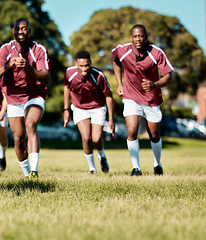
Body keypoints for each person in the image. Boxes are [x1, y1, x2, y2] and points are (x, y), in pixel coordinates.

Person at [0, 18, 50, 178]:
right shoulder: (5, 49)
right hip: (13, 98)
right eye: (17, 28)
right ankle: (26, 174)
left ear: (29, 31)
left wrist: (29, 67)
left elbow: (46, 77)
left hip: (35, 95)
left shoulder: (38, 49)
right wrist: (8, 65)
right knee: (17, 138)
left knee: (30, 125)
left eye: (24, 29)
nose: (20, 31)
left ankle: (34, 171)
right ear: (13, 31)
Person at [112, 24, 173, 176]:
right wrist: (120, 84)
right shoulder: (122, 50)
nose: (138, 39)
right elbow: (115, 61)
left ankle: (157, 165)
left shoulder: (156, 52)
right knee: (132, 131)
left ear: (146, 37)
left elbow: (168, 77)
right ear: (131, 37)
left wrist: (155, 85)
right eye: (135, 36)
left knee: (154, 135)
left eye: (141, 36)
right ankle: (136, 168)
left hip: (151, 98)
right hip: (131, 96)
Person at [63, 50, 114, 174]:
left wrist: (111, 119)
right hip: (79, 108)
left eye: (86, 65)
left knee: (96, 139)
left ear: (90, 63)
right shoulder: (69, 73)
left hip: (97, 108)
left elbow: (108, 95)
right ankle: (92, 168)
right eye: (81, 66)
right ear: (76, 64)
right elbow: (66, 87)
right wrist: (66, 109)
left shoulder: (98, 75)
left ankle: (101, 156)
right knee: (86, 138)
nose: (84, 68)